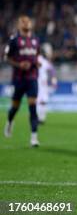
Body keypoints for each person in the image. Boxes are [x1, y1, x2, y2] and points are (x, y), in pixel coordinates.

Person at [4, 15, 41, 147]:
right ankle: (9, 122)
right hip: (19, 78)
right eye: (23, 21)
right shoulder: (14, 40)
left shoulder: (36, 40)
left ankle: (34, 137)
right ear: (19, 25)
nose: (26, 23)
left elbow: (37, 56)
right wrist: (19, 65)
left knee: (33, 106)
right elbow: (6, 58)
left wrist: (37, 63)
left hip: (32, 77)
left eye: (28, 21)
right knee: (15, 106)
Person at [37, 43, 57, 124]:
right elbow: (52, 70)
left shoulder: (43, 60)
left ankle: (41, 118)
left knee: (43, 101)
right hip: (37, 83)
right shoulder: (39, 59)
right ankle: (39, 117)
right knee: (40, 101)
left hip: (42, 84)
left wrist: (53, 81)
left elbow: (52, 70)